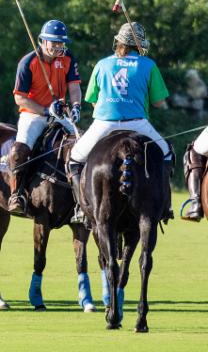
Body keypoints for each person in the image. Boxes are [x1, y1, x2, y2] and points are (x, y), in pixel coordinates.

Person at [68, 22, 171, 222]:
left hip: (104, 124)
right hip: (137, 124)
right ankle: (165, 206)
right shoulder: (148, 64)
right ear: (139, 45)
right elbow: (158, 102)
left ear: (119, 42)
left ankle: (80, 207)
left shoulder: (102, 64)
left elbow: (93, 100)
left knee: (75, 158)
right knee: (166, 153)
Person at [9, 20, 81, 218]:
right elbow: (19, 97)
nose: (58, 46)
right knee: (18, 151)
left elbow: (74, 86)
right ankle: (16, 195)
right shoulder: (28, 62)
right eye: (54, 42)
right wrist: (45, 110)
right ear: (43, 41)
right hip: (33, 114)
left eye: (61, 42)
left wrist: (76, 106)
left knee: (82, 146)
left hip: (61, 114)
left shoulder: (68, 57)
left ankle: (82, 201)